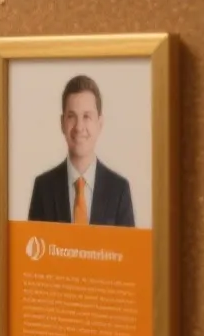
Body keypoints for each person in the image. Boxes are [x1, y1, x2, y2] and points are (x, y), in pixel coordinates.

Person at [27, 75, 135, 227]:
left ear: (100, 123)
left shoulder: (119, 190)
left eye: (86, 116)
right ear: (62, 123)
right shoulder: (43, 188)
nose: (79, 127)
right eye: (71, 116)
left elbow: (128, 250)